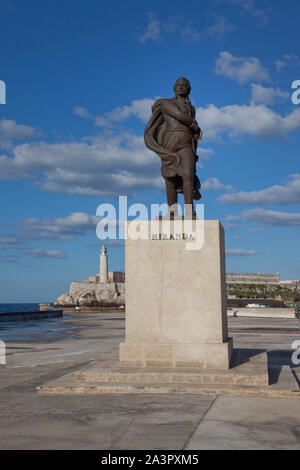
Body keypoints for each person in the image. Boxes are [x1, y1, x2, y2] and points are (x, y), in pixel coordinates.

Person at [144, 77, 202, 216]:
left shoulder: (192, 109)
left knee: (188, 174)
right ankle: (172, 212)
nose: (181, 87)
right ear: (174, 88)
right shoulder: (165, 103)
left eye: (184, 85)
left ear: (189, 89)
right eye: (178, 85)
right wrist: (194, 125)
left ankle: (189, 211)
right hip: (170, 141)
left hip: (186, 144)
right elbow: (177, 115)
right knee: (170, 178)